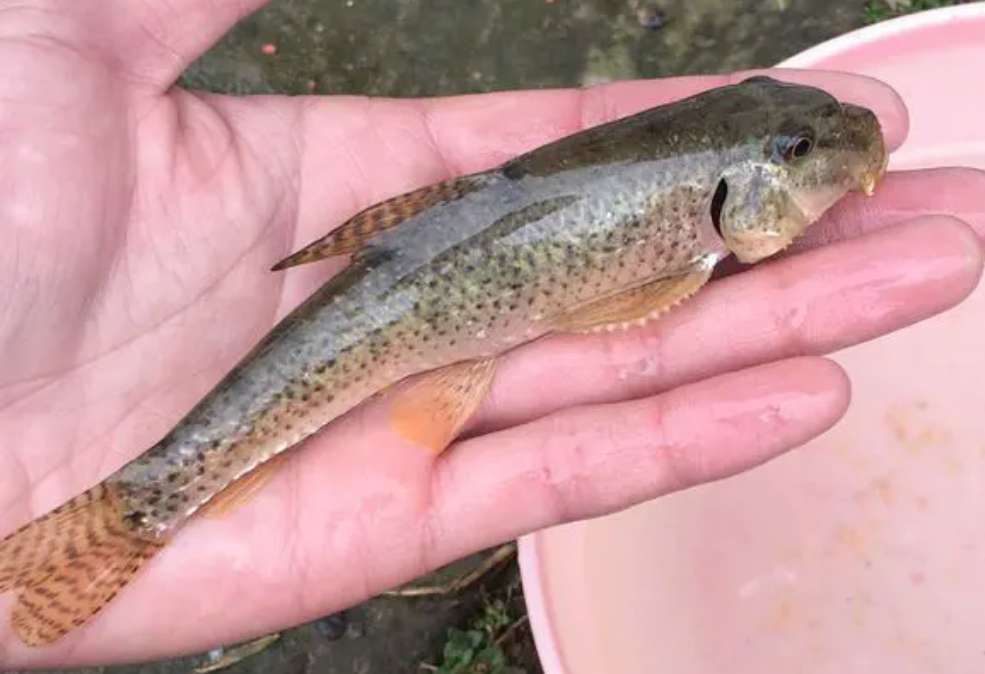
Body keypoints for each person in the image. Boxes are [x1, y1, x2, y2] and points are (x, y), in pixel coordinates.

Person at [0, 1, 982, 668]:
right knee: (199, 465)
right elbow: (633, 302)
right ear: (744, 182)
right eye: (794, 152)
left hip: (437, 299)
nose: (824, 149)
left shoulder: (709, 204)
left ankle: (141, 506)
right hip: (416, 305)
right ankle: (148, 503)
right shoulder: (702, 223)